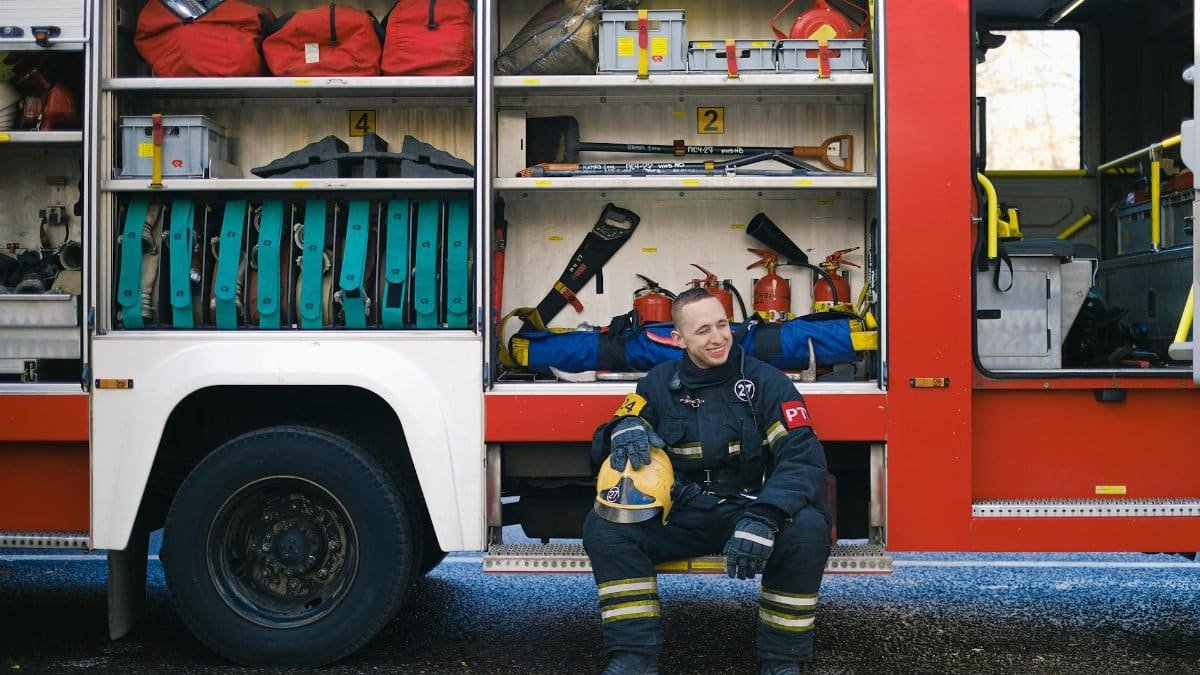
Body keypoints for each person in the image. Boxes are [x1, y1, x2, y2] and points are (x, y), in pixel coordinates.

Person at [582, 287, 833, 675]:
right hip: (683, 512)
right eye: (702, 331)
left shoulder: (767, 383)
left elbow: (803, 458)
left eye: (722, 325)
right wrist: (622, 428)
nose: (717, 337)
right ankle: (633, 658)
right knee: (606, 526)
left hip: (749, 507)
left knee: (809, 529)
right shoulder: (657, 384)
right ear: (678, 339)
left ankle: (783, 661)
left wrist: (765, 516)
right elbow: (607, 442)